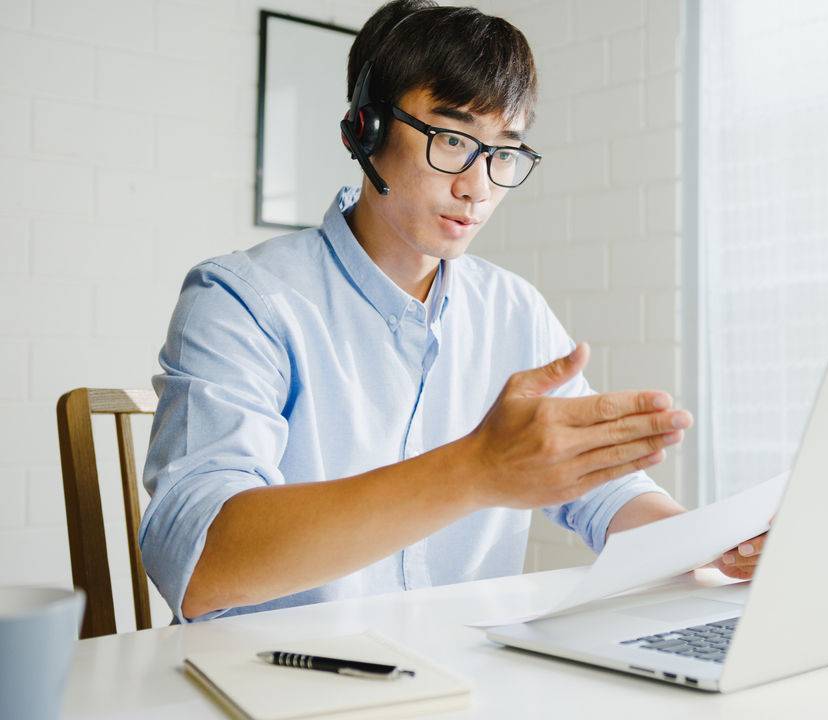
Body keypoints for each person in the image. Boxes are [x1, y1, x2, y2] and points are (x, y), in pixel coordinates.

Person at [139, 1, 765, 623]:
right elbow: (201, 565)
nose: (479, 186)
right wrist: (475, 470)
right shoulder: (241, 299)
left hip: (461, 672)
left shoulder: (513, 310)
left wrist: (713, 546)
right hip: (270, 676)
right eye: (453, 140)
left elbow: (603, 493)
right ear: (366, 129)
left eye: (503, 151)